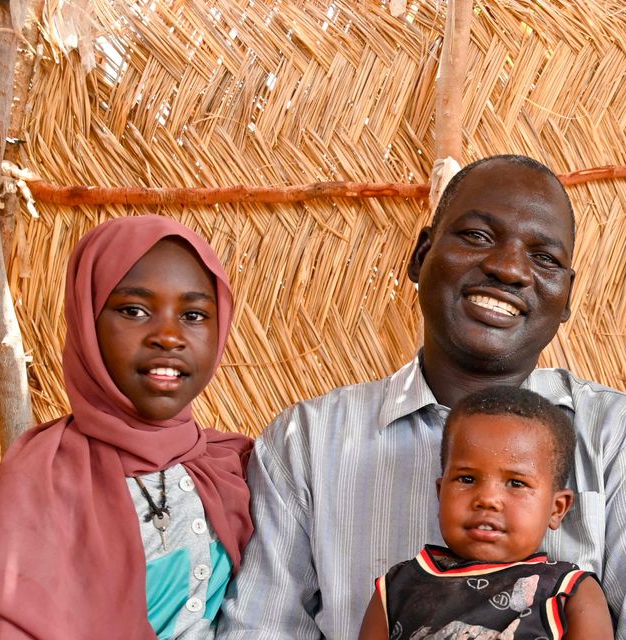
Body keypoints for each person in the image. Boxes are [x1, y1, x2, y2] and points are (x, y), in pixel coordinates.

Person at [217, 154, 626, 639]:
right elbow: (261, 630)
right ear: (420, 255)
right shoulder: (305, 442)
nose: (509, 269)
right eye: (477, 236)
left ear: (567, 298)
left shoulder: (614, 434)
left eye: (544, 258)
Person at [0, 215, 253, 639]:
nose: (168, 336)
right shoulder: (45, 477)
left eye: (193, 314)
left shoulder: (232, 466)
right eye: (133, 310)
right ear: (87, 322)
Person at [358, 386, 613, 639]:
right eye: (467, 479)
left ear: (556, 509)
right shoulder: (396, 589)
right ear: (441, 493)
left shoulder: (569, 592)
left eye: (516, 483)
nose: (488, 499)